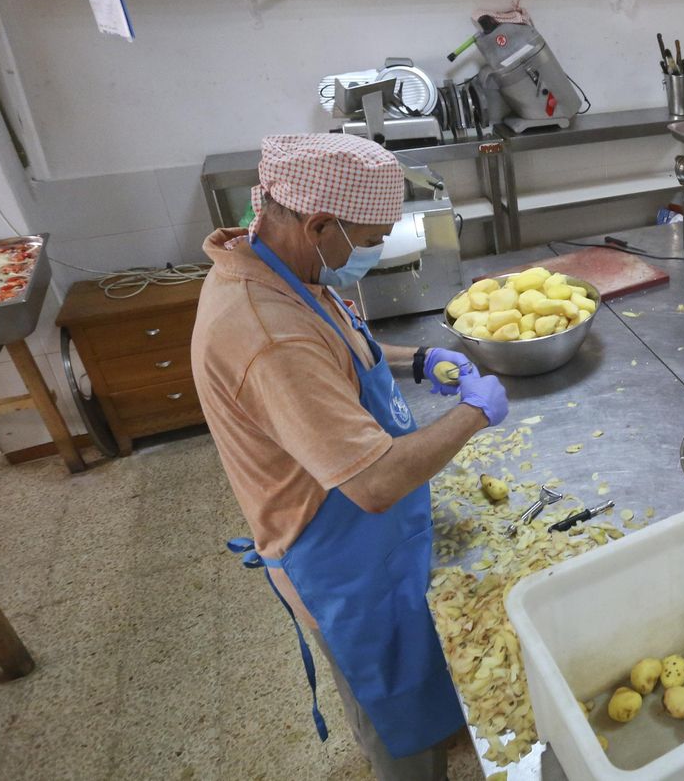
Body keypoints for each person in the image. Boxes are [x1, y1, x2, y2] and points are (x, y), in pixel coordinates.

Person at [190, 134, 509, 781]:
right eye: (366, 241)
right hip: (338, 553)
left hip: (372, 534)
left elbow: (333, 346)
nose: (369, 253)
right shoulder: (263, 328)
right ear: (317, 224)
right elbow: (374, 482)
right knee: (392, 709)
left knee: (421, 665)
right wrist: (475, 414)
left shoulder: (281, 270)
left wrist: (416, 361)